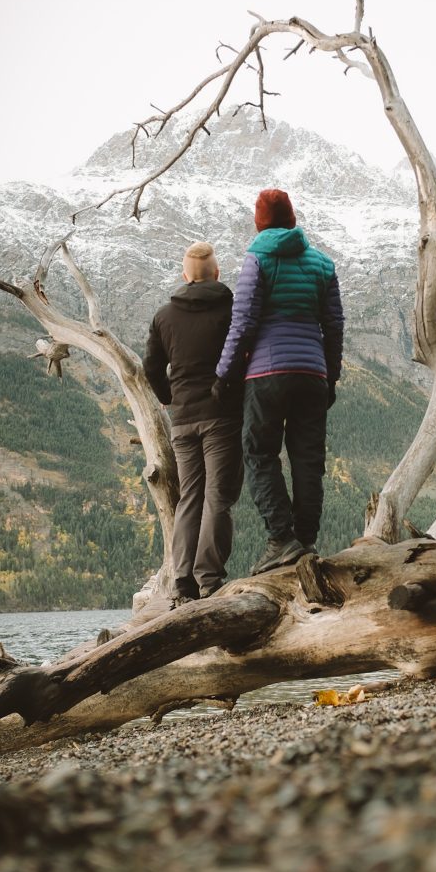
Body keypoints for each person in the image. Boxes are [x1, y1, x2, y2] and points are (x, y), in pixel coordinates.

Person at [213, 188, 344, 574]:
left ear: (260, 222)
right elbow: (333, 327)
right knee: (308, 459)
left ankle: (281, 539)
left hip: (267, 374)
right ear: (292, 218)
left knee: (259, 453)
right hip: (312, 375)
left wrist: (224, 373)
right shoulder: (323, 264)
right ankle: (305, 540)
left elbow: (245, 322)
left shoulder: (258, 259)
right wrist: (330, 377)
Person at [143, 241, 243, 606]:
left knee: (190, 497)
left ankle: (182, 582)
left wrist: (170, 398)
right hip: (222, 416)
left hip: (182, 420)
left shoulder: (164, 316)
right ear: (216, 273)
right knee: (219, 496)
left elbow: (151, 368)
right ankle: (210, 578)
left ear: (184, 276)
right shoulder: (232, 310)